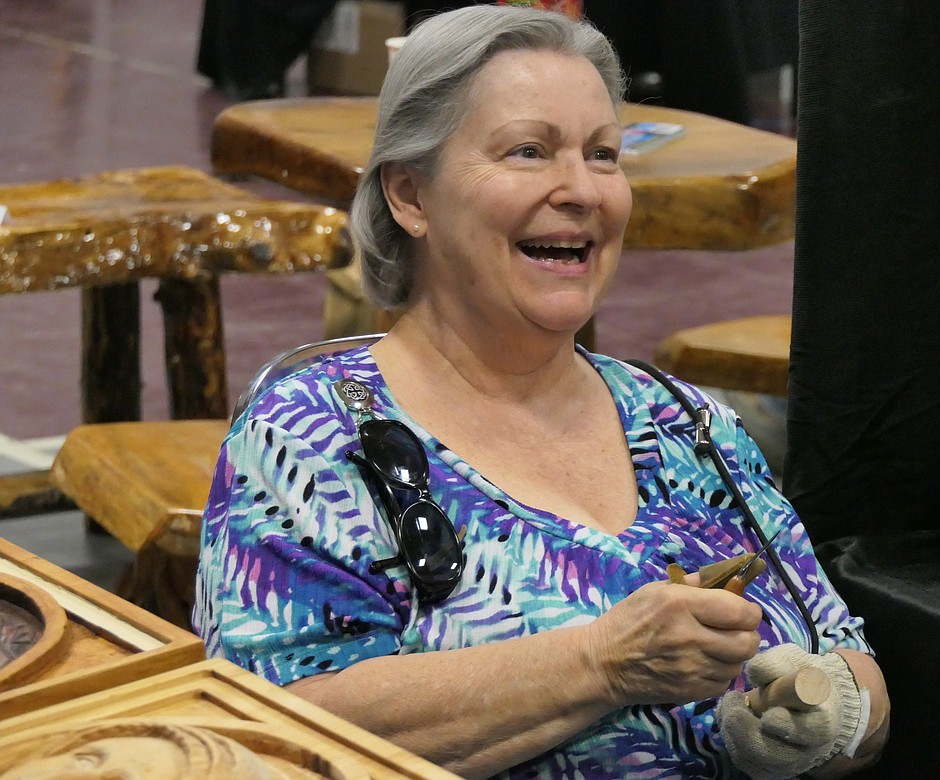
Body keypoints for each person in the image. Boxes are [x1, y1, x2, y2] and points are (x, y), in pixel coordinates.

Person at [193, 6, 889, 778]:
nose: (581, 190)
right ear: (410, 196)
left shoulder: (689, 427)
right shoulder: (313, 438)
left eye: (603, 155)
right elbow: (272, 733)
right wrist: (602, 663)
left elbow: (844, 648)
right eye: (529, 151)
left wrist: (837, 716)